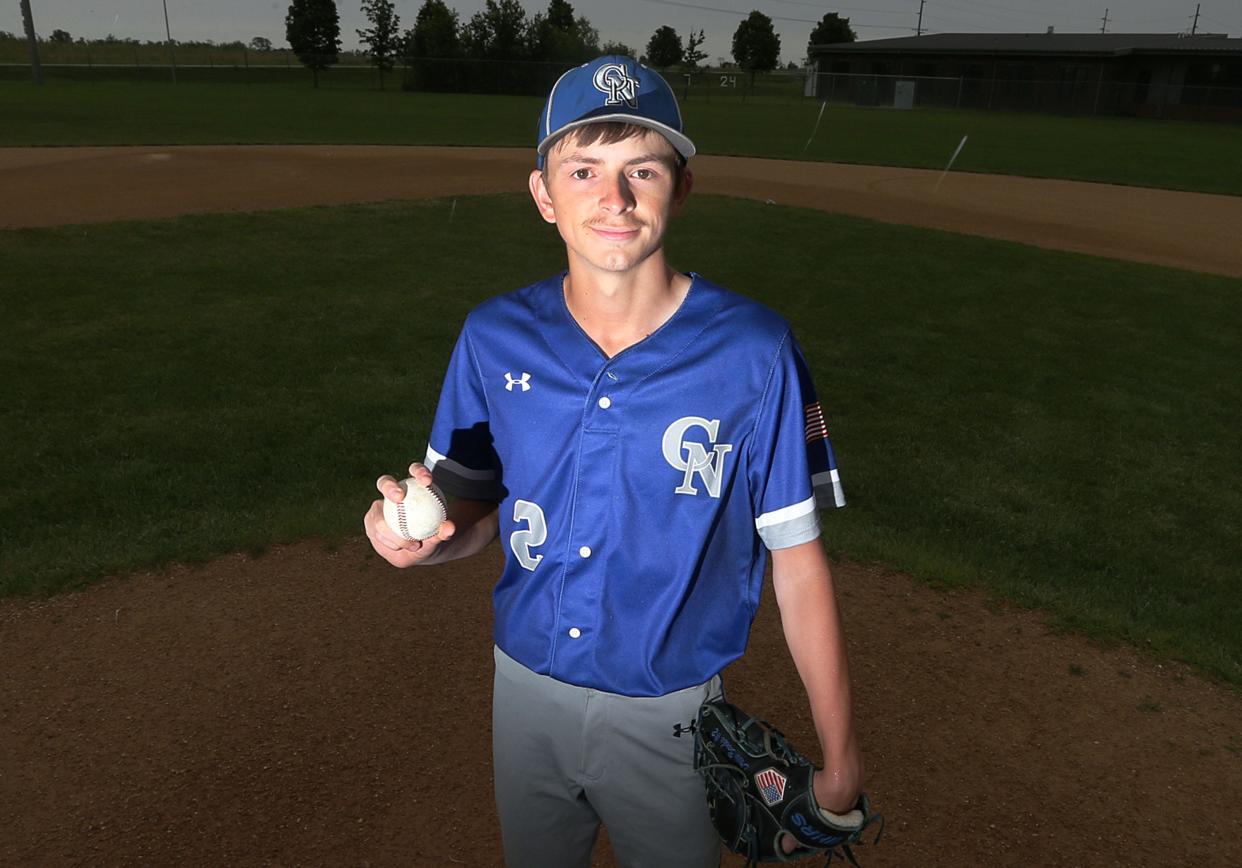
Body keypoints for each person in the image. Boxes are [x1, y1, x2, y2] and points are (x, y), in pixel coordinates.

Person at [363, 55, 863, 868]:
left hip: (669, 715)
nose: (616, 199)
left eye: (644, 169)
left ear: (682, 186)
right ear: (543, 195)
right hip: (522, 694)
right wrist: (420, 538)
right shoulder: (494, 336)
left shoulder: (754, 350)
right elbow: (469, 512)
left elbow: (797, 560)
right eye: (584, 168)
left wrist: (842, 758)